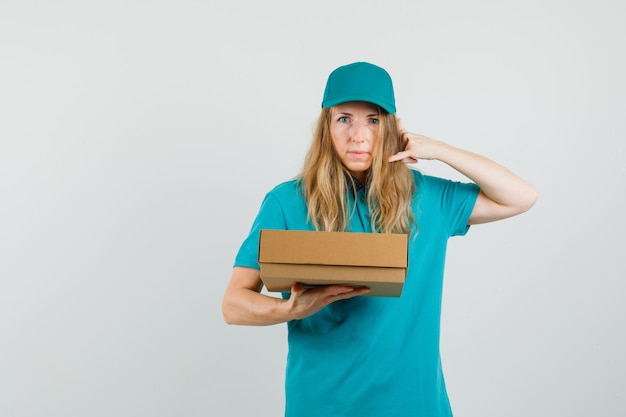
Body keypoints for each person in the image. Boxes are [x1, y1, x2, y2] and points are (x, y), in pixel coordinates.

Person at [222, 61, 537, 417]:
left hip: (415, 406)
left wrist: (439, 149)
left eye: (372, 120)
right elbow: (233, 304)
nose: (358, 135)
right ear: (326, 126)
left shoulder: (427, 197)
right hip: (322, 405)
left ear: (389, 127)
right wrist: (290, 309)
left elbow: (520, 197)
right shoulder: (287, 201)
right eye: (344, 119)